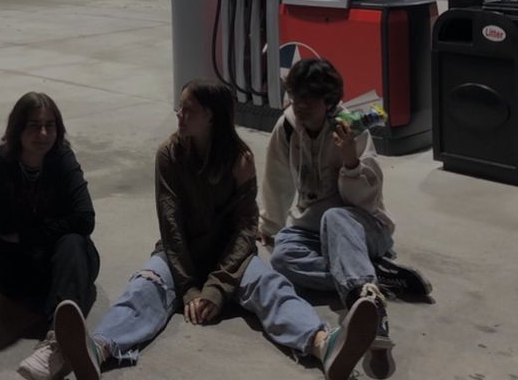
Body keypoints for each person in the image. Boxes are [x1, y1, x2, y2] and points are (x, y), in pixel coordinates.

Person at [51, 79, 379, 380]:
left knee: (272, 288)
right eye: (181, 107)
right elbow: (171, 224)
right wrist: (190, 288)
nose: (179, 114)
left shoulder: (240, 159)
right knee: (144, 287)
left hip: (231, 258)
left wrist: (217, 287)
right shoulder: (170, 154)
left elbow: (246, 228)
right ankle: (98, 348)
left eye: (188, 109)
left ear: (210, 116)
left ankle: (325, 345)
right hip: (180, 255)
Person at [259, 58, 432, 380]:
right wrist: (270, 225)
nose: (300, 105)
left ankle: (370, 308)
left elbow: (366, 201)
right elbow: (277, 179)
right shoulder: (285, 128)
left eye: (309, 99)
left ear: (329, 102)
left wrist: (351, 161)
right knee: (283, 257)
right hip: (311, 228)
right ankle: (377, 276)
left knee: (336, 216)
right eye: (295, 97)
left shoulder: (352, 127)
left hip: (363, 227)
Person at [0, 91, 99, 380]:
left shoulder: (62, 160)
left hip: (55, 271)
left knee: (74, 242)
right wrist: (24, 230)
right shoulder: (2, 161)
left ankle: (57, 342)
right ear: (18, 129)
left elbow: (85, 219)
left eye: (50, 125)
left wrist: (27, 234)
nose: (44, 133)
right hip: (16, 272)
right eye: (34, 126)